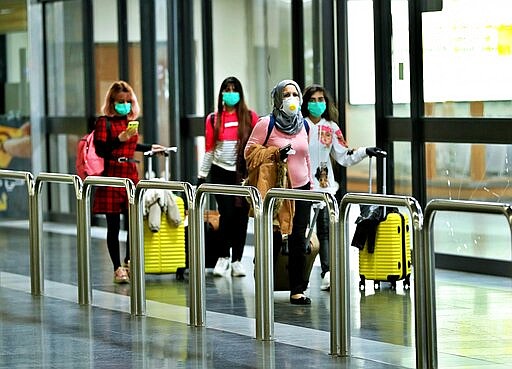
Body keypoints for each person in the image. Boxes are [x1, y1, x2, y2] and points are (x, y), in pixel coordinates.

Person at [302, 84, 385, 291]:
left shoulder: (331, 127)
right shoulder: (298, 126)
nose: (317, 104)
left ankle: (327, 271)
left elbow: (344, 155)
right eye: (313, 100)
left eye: (321, 99)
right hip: (300, 186)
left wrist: (365, 151)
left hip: (325, 188)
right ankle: (298, 276)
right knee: (300, 232)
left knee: (325, 230)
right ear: (305, 102)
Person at [245, 79, 313, 305]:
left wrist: (311, 184)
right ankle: (265, 283)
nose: (291, 99)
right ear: (277, 98)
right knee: (273, 237)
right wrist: (276, 152)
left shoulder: (304, 125)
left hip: (301, 188)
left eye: (294, 94)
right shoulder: (267, 123)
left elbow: (306, 156)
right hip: (277, 189)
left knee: (298, 239)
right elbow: (249, 152)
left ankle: (297, 289)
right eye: (286, 94)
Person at [93, 80, 165, 284]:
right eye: (120, 101)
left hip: (130, 173)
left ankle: (129, 261)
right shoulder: (104, 122)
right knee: (113, 225)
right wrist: (120, 138)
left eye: (127, 101)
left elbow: (133, 145)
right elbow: (101, 150)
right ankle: (117, 267)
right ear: (112, 102)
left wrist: (151, 147)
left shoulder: (129, 121)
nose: (124, 105)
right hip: (112, 175)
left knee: (133, 222)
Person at [197, 76, 259, 278]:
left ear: (240, 93)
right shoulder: (213, 119)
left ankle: (237, 261)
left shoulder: (250, 117)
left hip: (242, 173)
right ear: (221, 93)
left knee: (241, 218)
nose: (230, 93)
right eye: (227, 89)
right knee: (227, 215)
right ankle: (223, 257)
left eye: (234, 89)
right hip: (219, 172)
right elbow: (209, 149)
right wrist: (202, 175)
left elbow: (257, 147)